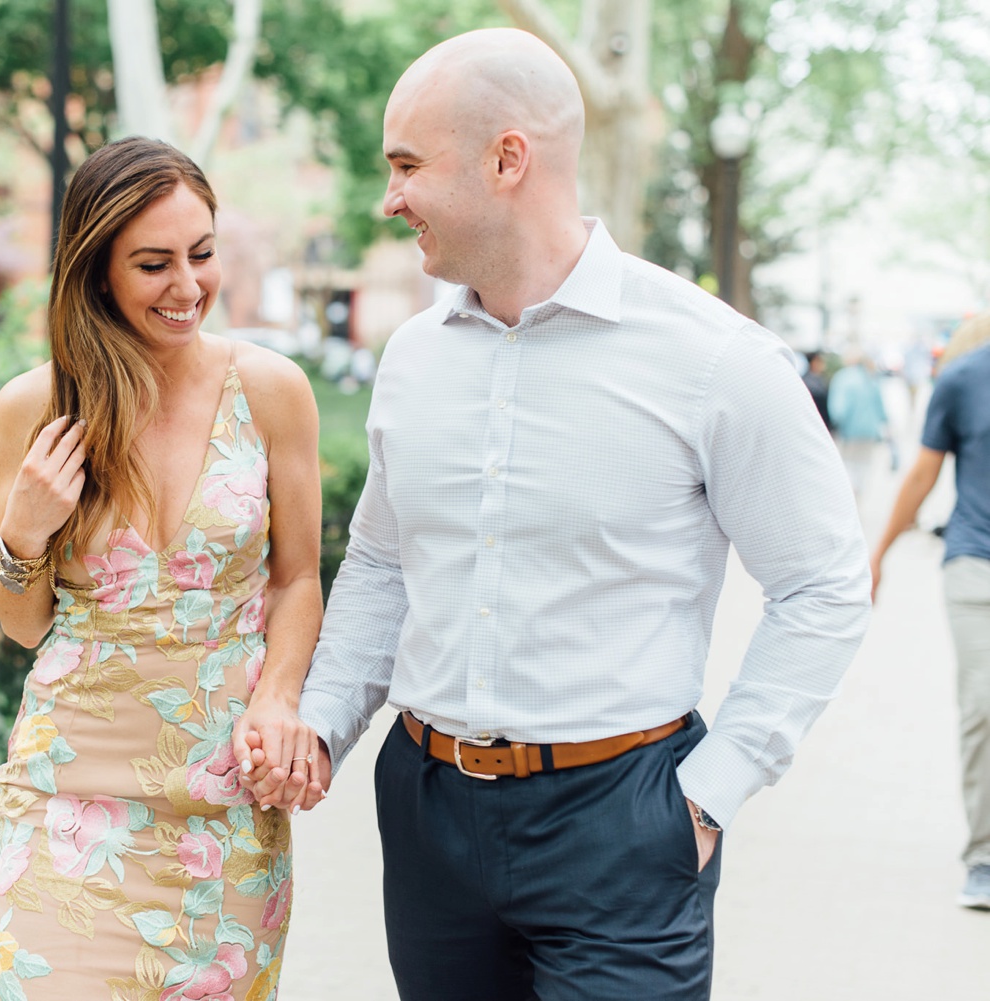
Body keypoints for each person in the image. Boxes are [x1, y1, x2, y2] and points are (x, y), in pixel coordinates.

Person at [260, 28, 871, 1000]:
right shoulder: (414, 358)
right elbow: (382, 562)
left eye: (408, 164)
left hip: (625, 818)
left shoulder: (717, 359)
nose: (390, 198)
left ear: (509, 159)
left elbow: (824, 586)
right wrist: (325, 721)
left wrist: (711, 793)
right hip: (427, 807)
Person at [0, 136, 324, 1001]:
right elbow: (22, 621)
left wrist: (280, 696)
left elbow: (299, 578)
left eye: (201, 254)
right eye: (153, 263)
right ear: (96, 270)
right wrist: (23, 535)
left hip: (226, 802)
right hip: (67, 800)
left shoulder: (273, 390)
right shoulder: (36, 405)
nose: (188, 286)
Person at [872, 315, 990, 911]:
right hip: (977, 565)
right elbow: (923, 472)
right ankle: (986, 856)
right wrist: (880, 552)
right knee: (985, 706)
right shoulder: (965, 378)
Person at [828, 352, 890, 497]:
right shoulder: (870, 377)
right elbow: (880, 406)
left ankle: (850, 496)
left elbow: (838, 409)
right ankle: (858, 496)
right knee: (863, 466)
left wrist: (835, 426)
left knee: (848, 466)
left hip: (849, 432)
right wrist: (885, 423)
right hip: (869, 432)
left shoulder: (842, 377)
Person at [801, 349, 833, 430]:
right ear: (814, 362)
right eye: (820, 361)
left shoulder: (818, 379)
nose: (823, 364)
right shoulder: (809, 382)